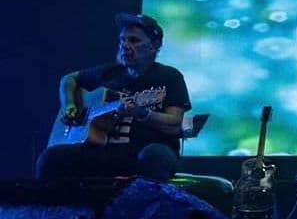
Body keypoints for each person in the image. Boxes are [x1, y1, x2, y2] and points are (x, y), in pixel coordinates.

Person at [36, 13, 191, 183]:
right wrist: (69, 105)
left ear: (154, 45)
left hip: (150, 151)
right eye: (122, 40)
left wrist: (143, 114)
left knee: (154, 155)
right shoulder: (109, 73)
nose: (125, 45)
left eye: (134, 40)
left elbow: (174, 124)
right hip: (107, 151)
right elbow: (68, 79)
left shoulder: (169, 76)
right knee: (51, 158)